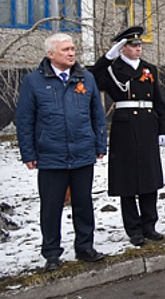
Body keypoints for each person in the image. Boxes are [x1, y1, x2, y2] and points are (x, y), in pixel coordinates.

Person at [16, 33, 107, 271]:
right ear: (51, 54)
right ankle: (52, 253)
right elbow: (25, 120)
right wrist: (28, 153)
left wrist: (100, 144)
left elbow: (97, 114)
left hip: (82, 152)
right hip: (50, 155)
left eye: (73, 48)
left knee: (83, 203)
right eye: (65, 49)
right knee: (51, 207)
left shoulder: (86, 78)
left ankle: (85, 247)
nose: (71, 53)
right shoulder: (33, 81)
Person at [90, 26, 165, 247]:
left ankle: (149, 225)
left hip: (147, 125)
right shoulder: (112, 70)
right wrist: (107, 58)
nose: (138, 49)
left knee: (148, 177)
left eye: (139, 45)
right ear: (122, 48)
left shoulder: (149, 69)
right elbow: (90, 79)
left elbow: (158, 102)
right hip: (125, 126)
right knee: (127, 180)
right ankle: (133, 229)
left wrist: (163, 129)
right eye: (133, 46)